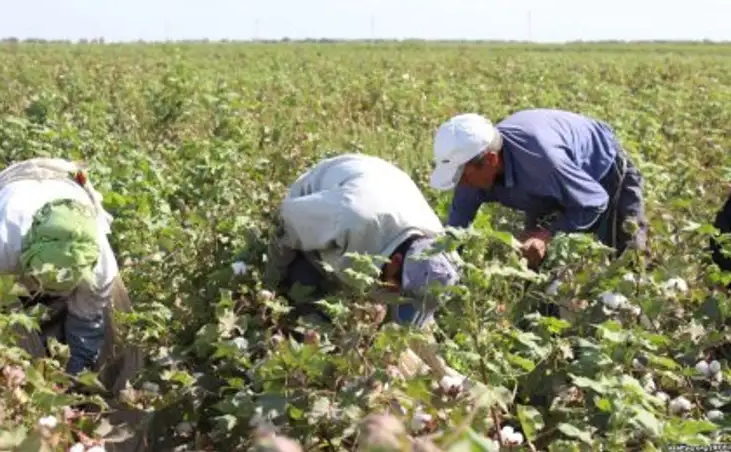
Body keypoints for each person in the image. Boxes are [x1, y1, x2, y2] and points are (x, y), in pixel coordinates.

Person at [0, 157, 142, 395]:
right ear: (26, 259)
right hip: (15, 183)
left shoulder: (99, 266)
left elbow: (86, 326)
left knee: (112, 316)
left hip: (70, 183)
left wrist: (73, 377)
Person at [265, 153, 465, 380]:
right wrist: (270, 284)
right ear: (396, 261)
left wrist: (440, 372)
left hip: (381, 190)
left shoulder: (440, 252)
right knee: (306, 293)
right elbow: (286, 219)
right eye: (400, 289)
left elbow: (413, 321)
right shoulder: (349, 219)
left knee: (385, 322)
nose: (398, 295)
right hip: (318, 199)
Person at [428, 108, 648, 269]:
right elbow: (454, 234)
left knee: (627, 259)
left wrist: (547, 234)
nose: (462, 186)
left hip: (602, 172)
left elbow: (594, 201)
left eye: (464, 177)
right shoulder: (472, 175)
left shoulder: (543, 161)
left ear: (491, 160)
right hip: (546, 186)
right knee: (534, 261)